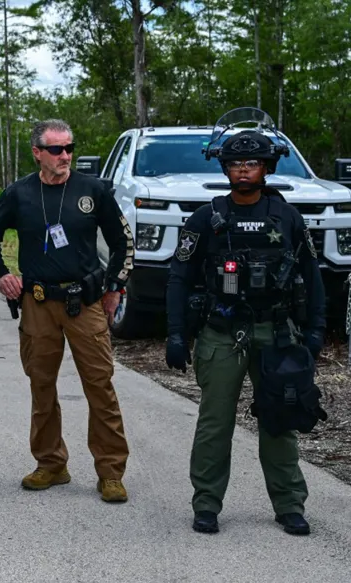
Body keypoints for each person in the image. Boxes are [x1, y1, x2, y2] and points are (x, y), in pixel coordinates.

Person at [164, 119, 327, 536]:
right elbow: (179, 277)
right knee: (215, 423)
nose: (243, 170)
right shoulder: (206, 217)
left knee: (280, 419)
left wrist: (314, 333)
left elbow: (313, 274)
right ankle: (206, 505)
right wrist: (177, 334)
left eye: (252, 163)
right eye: (235, 162)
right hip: (221, 333)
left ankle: (290, 504)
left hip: (277, 333)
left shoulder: (288, 217)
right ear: (224, 168)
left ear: (267, 168)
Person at [0, 119, 134, 503]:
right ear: (37, 153)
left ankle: (111, 471)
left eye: (69, 148)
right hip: (37, 304)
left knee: (100, 387)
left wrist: (115, 287)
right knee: (41, 386)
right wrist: (1, 274)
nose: (65, 156)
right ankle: (51, 463)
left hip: (85, 304)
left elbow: (123, 243)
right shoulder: (19, 193)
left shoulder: (93, 190)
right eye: (56, 149)